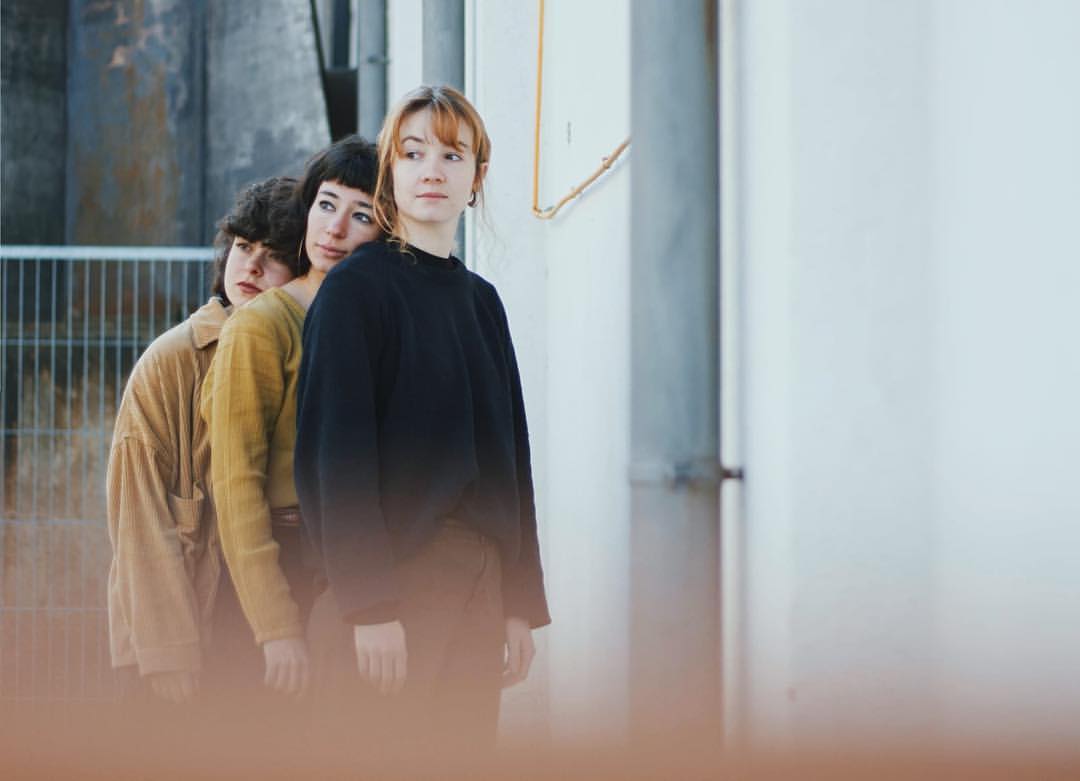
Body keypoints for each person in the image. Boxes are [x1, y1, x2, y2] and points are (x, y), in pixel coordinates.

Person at [294, 85, 551, 751]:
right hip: (391, 586)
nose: (431, 169)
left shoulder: (482, 302)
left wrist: (519, 603)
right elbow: (334, 457)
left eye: (451, 154)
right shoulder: (356, 291)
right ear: (390, 172)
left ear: (477, 176)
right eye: (412, 154)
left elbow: (511, 460)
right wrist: (369, 604)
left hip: (480, 589)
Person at [106, 177, 301, 704]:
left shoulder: (304, 354)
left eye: (275, 255)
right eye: (243, 247)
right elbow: (139, 519)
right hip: (184, 634)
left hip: (268, 629)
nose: (251, 267)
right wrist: (169, 649)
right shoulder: (172, 360)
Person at [200, 135, 381, 703]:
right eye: (326, 205)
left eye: (361, 215)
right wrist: (275, 626)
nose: (335, 228)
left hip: (355, 565)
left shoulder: (375, 322)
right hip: (281, 567)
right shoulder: (262, 324)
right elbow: (236, 483)